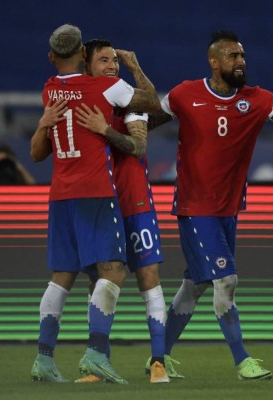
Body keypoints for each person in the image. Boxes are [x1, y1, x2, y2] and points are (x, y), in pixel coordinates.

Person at [146, 30, 273, 381]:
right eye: (233, 56)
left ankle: (158, 357)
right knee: (227, 279)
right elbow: (143, 123)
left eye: (242, 56)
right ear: (214, 61)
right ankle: (242, 361)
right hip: (195, 206)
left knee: (196, 285)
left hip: (228, 209)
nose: (241, 62)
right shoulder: (183, 95)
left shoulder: (256, 99)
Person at [29, 24, 160, 384]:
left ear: (52, 57)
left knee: (61, 277)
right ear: (85, 56)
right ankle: (96, 354)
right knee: (114, 271)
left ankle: (44, 359)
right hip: (95, 193)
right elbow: (151, 102)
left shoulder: (50, 90)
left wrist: (42, 125)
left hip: (60, 196)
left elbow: (37, 154)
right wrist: (133, 69)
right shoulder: (106, 87)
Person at [73, 38, 170, 384]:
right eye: (104, 60)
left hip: (135, 205)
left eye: (115, 60)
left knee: (148, 279)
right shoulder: (82, 106)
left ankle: (158, 361)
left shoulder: (128, 105)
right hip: (99, 205)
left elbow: (140, 144)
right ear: (87, 66)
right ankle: (99, 362)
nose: (112, 66)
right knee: (96, 282)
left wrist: (135, 68)